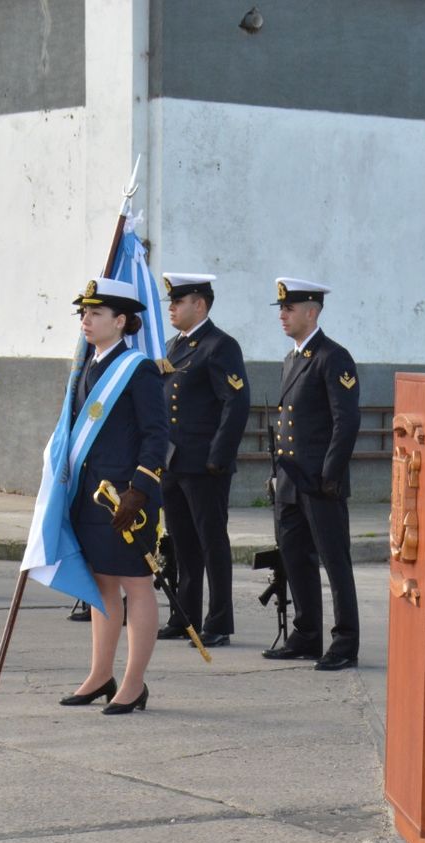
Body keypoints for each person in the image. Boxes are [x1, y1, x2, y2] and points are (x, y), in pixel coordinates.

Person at [58, 277, 168, 714]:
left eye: (95, 313)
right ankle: (99, 674)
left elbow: (157, 435)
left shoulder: (137, 368)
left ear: (120, 321)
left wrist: (140, 489)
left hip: (127, 499)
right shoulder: (89, 365)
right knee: (100, 584)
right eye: (83, 313)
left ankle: (133, 683)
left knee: (137, 586)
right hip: (91, 495)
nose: (85, 320)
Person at [261, 278, 361, 671]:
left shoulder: (332, 357)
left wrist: (330, 475)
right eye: (281, 309)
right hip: (290, 480)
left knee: (335, 562)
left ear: (312, 311)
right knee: (295, 558)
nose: (282, 315)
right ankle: (306, 633)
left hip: (320, 483)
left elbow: (346, 420)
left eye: (289, 308)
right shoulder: (293, 358)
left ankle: (345, 641)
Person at [156, 272, 249, 647]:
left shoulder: (219, 346)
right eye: (171, 303)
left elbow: (235, 402)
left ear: (200, 304)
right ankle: (185, 615)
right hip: (173, 461)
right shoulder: (171, 346)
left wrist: (219, 457)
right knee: (180, 543)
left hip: (204, 463)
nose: (173, 309)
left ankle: (219, 621)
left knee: (211, 542)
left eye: (179, 302)